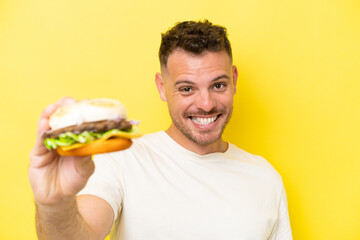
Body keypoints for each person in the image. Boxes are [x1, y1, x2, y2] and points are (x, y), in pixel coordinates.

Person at [29, 20, 292, 240]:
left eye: (218, 85)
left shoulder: (266, 178)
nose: (206, 104)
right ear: (161, 87)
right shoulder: (123, 158)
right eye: (187, 88)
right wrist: (53, 204)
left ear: (233, 80)